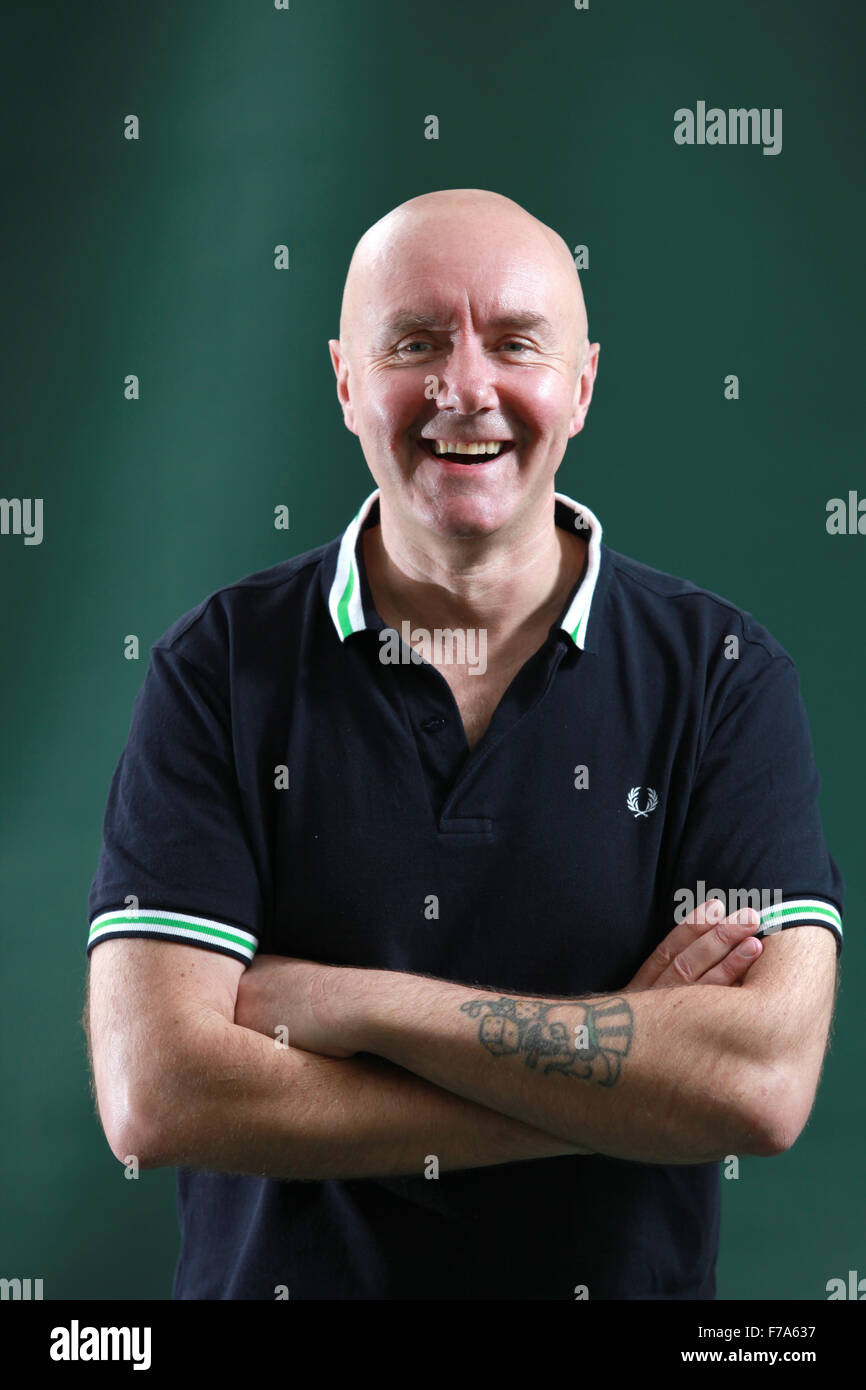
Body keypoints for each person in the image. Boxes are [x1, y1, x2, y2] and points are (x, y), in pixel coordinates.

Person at [84, 189, 843, 1301]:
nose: (464, 388)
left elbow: (758, 1084)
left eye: (515, 343)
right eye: (416, 342)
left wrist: (353, 1006)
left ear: (581, 383)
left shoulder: (724, 677)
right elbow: (156, 1093)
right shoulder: (216, 669)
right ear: (346, 381)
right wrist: (618, 1086)